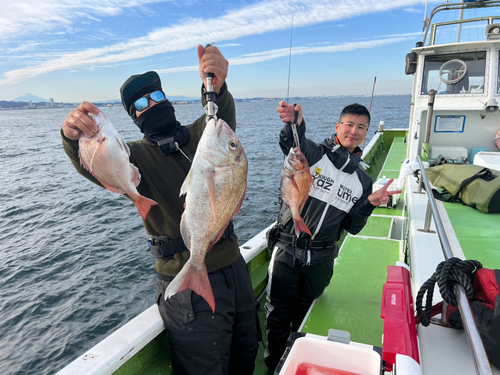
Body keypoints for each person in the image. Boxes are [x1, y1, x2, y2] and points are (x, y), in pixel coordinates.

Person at [61, 45, 258, 375]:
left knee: (246, 351)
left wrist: (216, 85)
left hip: (233, 267)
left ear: (166, 98)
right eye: (140, 104)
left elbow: (220, 118)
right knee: (204, 368)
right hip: (184, 278)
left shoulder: (204, 135)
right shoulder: (131, 159)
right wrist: (72, 139)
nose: (151, 105)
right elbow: (95, 165)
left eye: (156, 96)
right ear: (133, 117)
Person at [264, 102, 401, 374]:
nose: (354, 130)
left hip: (323, 257)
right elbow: (293, 142)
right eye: (349, 124)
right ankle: (276, 366)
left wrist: (370, 203)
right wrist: (295, 123)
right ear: (337, 127)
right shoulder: (314, 154)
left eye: (361, 127)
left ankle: (299, 359)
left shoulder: (363, 181)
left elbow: (352, 226)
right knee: (279, 314)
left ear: (366, 132)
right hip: (287, 250)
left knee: (306, 312)